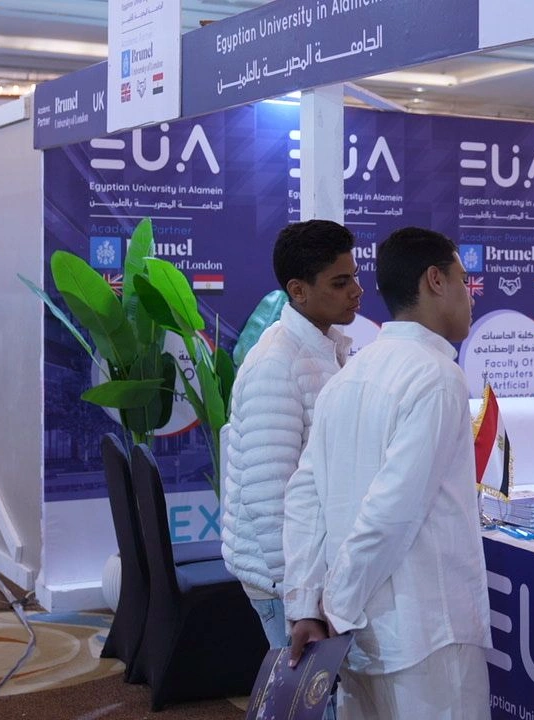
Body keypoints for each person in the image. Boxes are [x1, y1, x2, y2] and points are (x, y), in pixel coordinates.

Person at [283, 226, 490, 720]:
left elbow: (305, 499)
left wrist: (309, 604)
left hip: (359, 638)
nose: (471, 295)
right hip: (426, 635)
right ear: (435, 280)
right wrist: (334, 606)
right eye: (464, 279)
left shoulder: (348, 376)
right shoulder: (437, 378)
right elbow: (392, 512)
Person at [221, 219, 360, 655]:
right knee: (306, 689)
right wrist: (299, 600)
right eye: (340, 282)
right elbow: (270, 497)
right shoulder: (275, 364)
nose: (356, 291)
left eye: (354, 277)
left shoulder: (324, 349)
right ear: (298, 290)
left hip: (311, 570)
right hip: (284, 580)